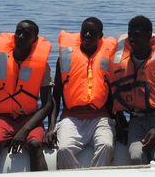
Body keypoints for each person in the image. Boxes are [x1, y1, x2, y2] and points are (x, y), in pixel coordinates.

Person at [0, 20, 52, 173]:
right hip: (2, 117)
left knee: (35, 145)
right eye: (18, 32)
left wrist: (25, 130)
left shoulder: (42, 66)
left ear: (35, 39)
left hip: (29, 118)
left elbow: (47, 104)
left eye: (26, 34)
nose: (20, 36)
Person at [45, 17, 116, 169]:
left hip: (99, 118)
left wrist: (117, 120)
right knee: (63, 149)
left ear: (100, 36)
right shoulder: (65, 59)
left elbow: (112, 93)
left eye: (93, 32)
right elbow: (56, 95)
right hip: (71, 118)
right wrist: (51, 126)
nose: (88, 35)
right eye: (85, 31)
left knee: (106, 146)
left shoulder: (108, 58)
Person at [110, 15, 155, 165]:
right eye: (129, 34)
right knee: (136, 157)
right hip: (136, 121)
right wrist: (119, 121)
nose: (132, 39)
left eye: (137, 34)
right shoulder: (121, 64)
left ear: (148, 36)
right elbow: (114, 95)